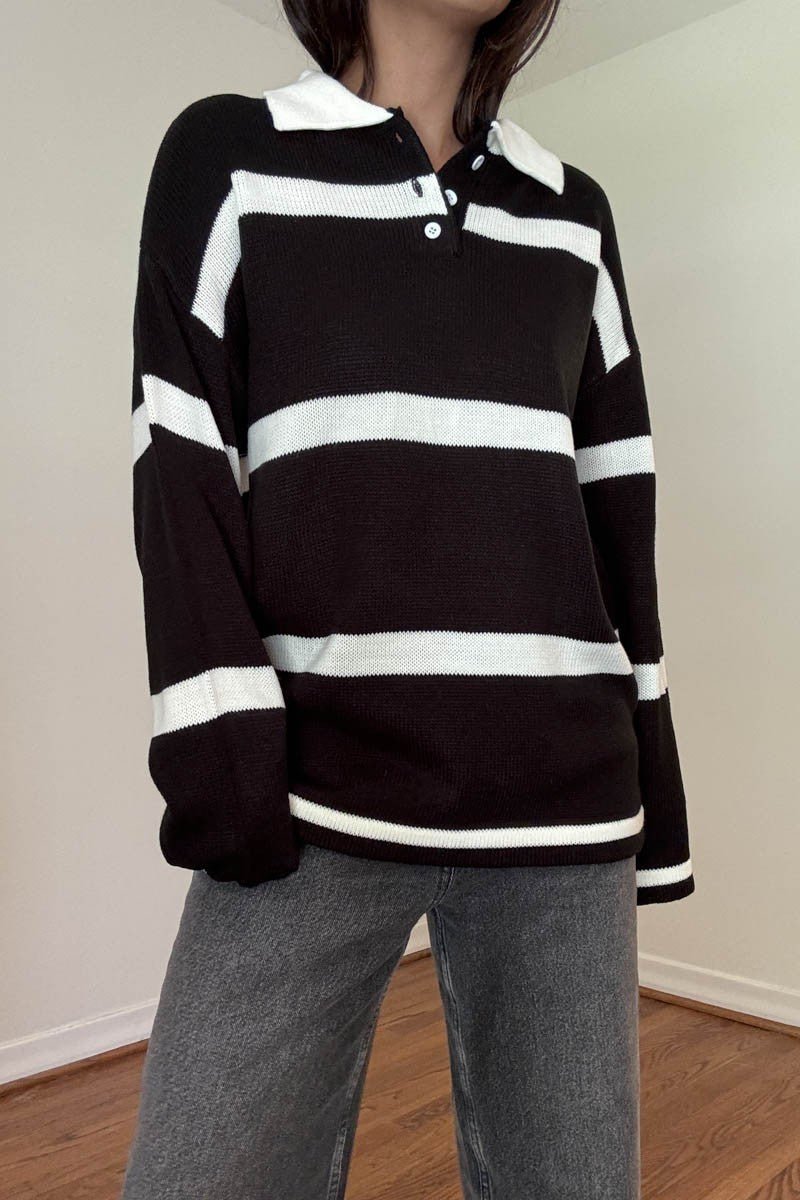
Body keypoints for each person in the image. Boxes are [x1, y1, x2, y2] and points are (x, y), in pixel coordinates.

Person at [123, 0, 695, 1195]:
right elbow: (180, 465)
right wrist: (225, 766)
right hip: (308, 800)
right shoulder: (229, 156)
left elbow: (616, 502)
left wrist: (654, 786)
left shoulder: (571, 212)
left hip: (559, 818)